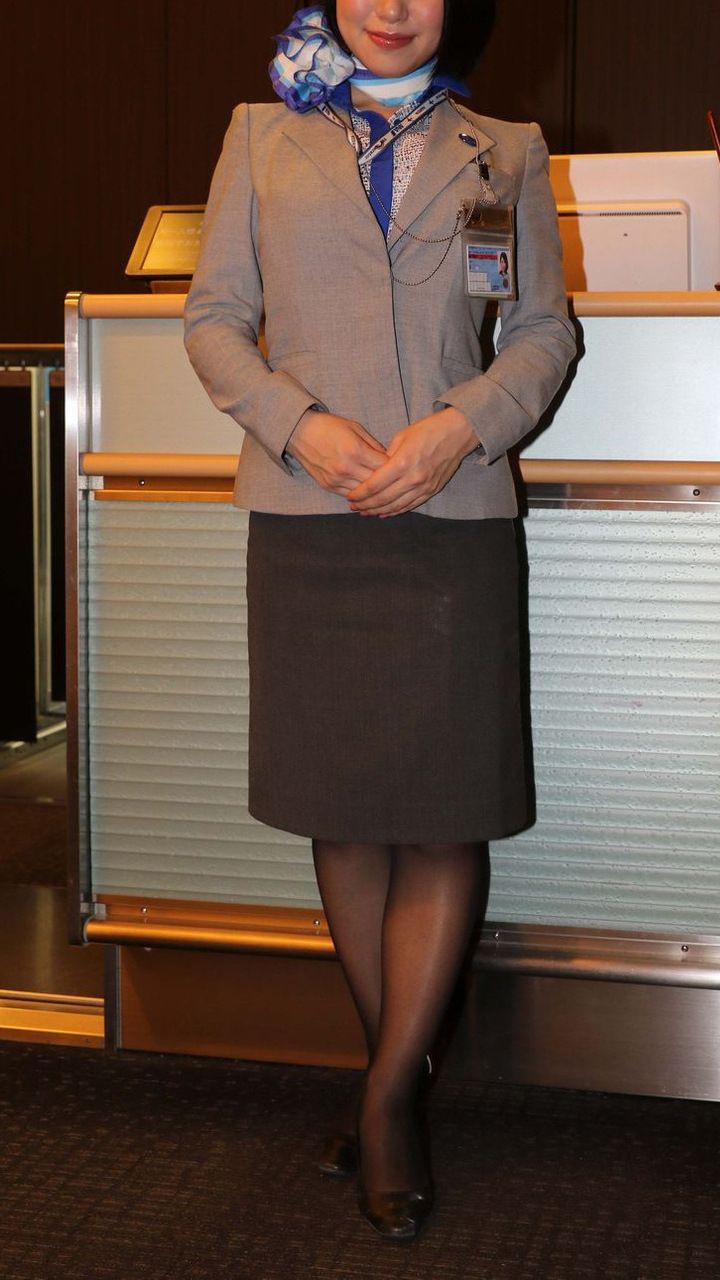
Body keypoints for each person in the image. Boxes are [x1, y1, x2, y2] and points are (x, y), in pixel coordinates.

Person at [184, 0, 576, 1244]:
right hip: (310, 515)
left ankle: (388, 1096)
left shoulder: (506, 150)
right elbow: (212, 321)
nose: (393, 6)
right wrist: (297, 425)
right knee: (345, 809)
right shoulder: (259, 136)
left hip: (452, 518)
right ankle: (395, 1078)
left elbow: (542, 333)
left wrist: (462, 427)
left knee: (446, 811)